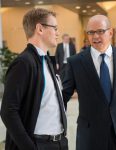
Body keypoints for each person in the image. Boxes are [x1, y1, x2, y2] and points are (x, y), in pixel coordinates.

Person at [62, 15, 116, 150]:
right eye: (91, 32)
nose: (95, 36)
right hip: (91, 137)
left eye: (100, 31)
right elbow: (62, 96)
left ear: (110, 32)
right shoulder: (75, 62)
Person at [1, 8, 68, 150]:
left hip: (58, 142)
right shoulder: (23, 63)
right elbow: (8, 111)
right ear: (40, 29)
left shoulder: (46, 60)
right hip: (38, 144)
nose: (58, 33)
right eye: (55, 28)